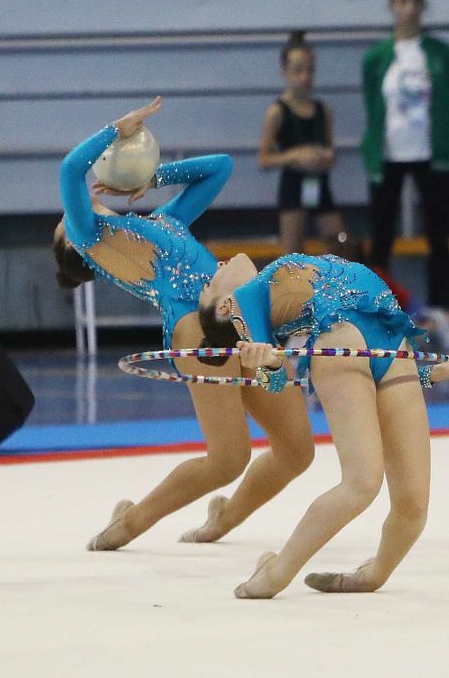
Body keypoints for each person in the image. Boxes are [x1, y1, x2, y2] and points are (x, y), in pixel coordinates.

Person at [52, 99, 316, 551]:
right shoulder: (90, 236)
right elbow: (71, 169)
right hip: (198, 331)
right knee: (228, 459)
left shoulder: (166, 221)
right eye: (61, 224)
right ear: (72, 245)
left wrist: (150, 178)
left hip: (241, 319)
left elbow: (220, 167)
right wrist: (117, 129)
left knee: (297, 450)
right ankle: (129, 524)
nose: (67, 214)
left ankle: (224, 518)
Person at [196, 250, 449, 598]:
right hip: (340, 339)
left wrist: (435, 373)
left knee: (413, 506)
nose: (218, 266)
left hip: (390, 339)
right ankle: (276, 573)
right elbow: (277, 382)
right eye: (209, 285)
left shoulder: (256, 290)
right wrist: (267, 364)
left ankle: (373, 575)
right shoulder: (243, 300)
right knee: (361, 485)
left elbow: (381, 386)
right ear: (224, 307)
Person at [360, 0, 449, 350]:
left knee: (440, 237)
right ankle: (378, 315)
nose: (409, 8)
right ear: (392, 6)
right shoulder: (376, 58)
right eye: (402, 1)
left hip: (431, 154)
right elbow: (372, 107)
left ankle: (446, 315)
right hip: (389, 155)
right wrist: (373, 150)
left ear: (423, 6)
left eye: (415, 1)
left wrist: (448, 150)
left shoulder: (441, 54)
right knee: (381, 238)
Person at [258, 32, 347, 255]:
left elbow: (331, 153)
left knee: (340, 246)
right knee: (293, 255)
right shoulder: (277, 112)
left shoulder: (323, 110)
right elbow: (264, 159)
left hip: (319, 184)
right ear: (284, 72)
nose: (305, 76)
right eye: (298, 70)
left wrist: (324, 158)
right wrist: (294, 156)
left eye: (310, 70)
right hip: (293, 186)